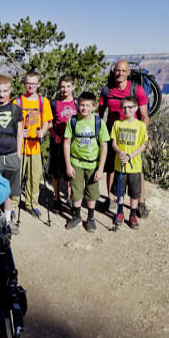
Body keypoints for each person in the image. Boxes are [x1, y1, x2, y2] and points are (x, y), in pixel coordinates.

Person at [99, 59, 151, 218]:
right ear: (113, 72)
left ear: (128, 73)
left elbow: (144, 116)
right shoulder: (107, 90)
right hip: (112, 133)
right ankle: (111, 199)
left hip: (132, 136)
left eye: (123, 70)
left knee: (136, 168)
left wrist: (142, 135)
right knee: (110, 168)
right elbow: (101, 114)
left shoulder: (137, 90)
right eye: (117, 70)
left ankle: (140, 203)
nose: (120, 73)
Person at [63, 91, 109, 232]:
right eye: (82, 105)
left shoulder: (98, 122)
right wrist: (68, 165)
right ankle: (77, 217)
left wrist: (101, 168)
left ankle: (90, 218)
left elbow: (104, 145)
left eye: (88, 105)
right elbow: (66, 142)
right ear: (78, 105)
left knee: (92, 192)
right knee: (76, 192)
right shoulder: (73, 120)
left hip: (93, 164)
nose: (84, 108)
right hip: (76, 162)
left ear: (94, 107)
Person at [14, 71, 52, 219]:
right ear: (24, 84)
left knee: (34, 176)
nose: (31, 86)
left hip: (35, 145)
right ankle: (14, 204)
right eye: (28, 83)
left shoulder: (43, 102)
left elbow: (47, 122)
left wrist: (43, 131)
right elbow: (12, 123)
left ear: (38, 84)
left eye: (34, 83)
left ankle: (32, 204)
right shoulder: (17, 102)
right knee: (18, 176)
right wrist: (19, 132)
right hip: (21, 145)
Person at [0, 75, 24, 230]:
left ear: (10, 90)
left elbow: (20, 133)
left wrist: (19, 154)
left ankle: (8, 219)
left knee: (8, 189)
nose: (2, 94)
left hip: (11, 154)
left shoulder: (15, 109)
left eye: (5, 91)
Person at [109, 96, 149, 230]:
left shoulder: (141, 126)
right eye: (124, 107)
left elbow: (143, 145)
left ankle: (132, 214)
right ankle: (120, 213)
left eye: (130, 107)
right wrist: (120, 152)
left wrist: (130, 156)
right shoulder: (117, 124)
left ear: (136, 108)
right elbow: (113, 142)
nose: (127, 110)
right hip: (119, 164)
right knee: (119, 192)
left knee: (134, 193)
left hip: (134, 165)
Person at [48, 75, 77, 212]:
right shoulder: (54, 104)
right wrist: (54, 136)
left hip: (73, 143)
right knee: (56, 173)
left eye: (68, 86)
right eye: (62, 87)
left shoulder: (77, 103)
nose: (65, 89)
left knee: (70, 172)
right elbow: (49, 123)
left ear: (73, 87)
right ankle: (57, 199)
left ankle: (70, 198)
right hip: (57, 142)